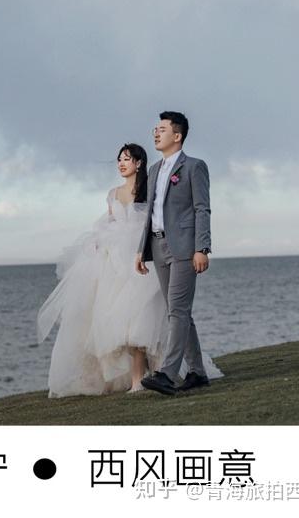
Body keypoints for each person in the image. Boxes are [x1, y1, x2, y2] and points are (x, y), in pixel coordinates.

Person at [37, 145, 168, 395]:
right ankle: (135, 379)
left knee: (139, 321)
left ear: (139, 163)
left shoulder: (150, 188)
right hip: (115, 262)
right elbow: (109, 222)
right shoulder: (113, 193)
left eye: (127, 159)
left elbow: (154, 221)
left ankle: (144, 378)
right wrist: (98, 242)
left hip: (140, 259)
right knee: (120, 323)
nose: (121, 163)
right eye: (119, 159)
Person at [137, 111, 213, 395]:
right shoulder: (154, 170)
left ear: (177, 135)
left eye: (162, 129)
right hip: (157, 246)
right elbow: (151, 214)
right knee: (177, 311)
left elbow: (201, 208)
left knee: (178, 311)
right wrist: (140, 249)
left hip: (184, 247)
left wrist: (201, 248)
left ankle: (167, 374)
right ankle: (197, 372)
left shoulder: (195, 167)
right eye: (155, 129)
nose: (156, 133)